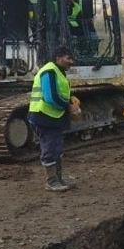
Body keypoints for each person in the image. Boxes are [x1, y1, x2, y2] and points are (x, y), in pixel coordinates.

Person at [27, 46, 81, 192]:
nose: (72, 62)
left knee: (56, 149)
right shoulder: (49, 71)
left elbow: (59, 92)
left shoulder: (58, 72)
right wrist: (69, 107)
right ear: (58, 57)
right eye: (68, 58)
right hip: (44, 117)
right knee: (50, 149)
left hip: (52, 117)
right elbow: (50, 97)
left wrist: (70, 98)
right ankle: (51, 182)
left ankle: (58, 179)